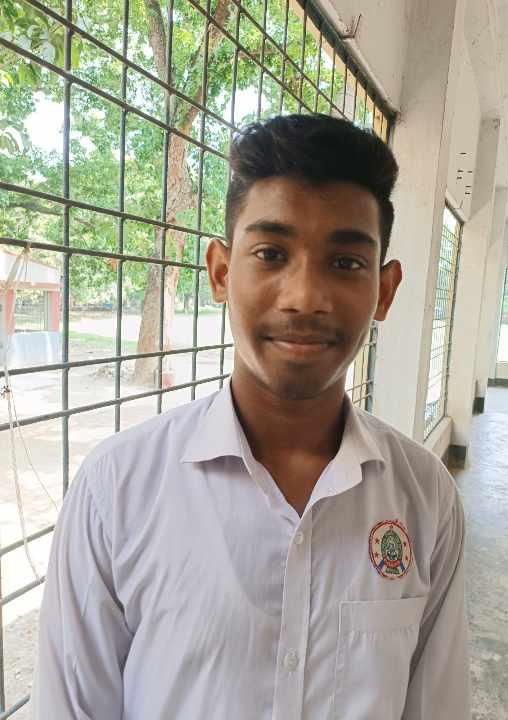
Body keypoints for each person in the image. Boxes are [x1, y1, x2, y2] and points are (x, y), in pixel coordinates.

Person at [30, 113, 471, 719]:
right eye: (271, 253)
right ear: (219, 271)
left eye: (345, 263)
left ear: (385, 291)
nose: (304, 296)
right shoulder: (118, 489)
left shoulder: (424, 498)